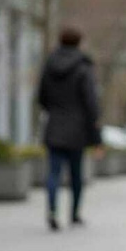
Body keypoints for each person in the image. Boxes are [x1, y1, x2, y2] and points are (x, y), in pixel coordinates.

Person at [37, 26, 102, 231]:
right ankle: (74, 214)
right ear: (79, 43)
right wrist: (95, 131)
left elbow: (41, 96)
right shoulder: (83, 67)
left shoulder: (49, 64)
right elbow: (90, 101)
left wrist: (54, 110)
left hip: (54, 126)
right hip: (77, 128)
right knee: (76, 174)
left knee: (53, 173)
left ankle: (52, 211)